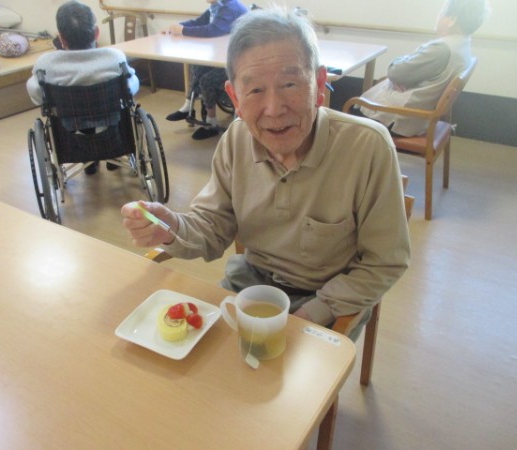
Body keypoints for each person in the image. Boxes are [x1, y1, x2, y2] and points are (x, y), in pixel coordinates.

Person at [121, 8, 410, 341]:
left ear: (319, 84)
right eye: (255, 90)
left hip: (330, 299)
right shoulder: (236, 138)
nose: (274, 109)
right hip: (249, 285)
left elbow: (385, 261)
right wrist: (170, 227)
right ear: (235, 97)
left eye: (289, 84)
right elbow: (212, 226)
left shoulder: (367, 147)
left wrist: (314, 312)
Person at [26, 0, 140, 175]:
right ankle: (114, 154)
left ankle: (88, 158)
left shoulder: (46, 64)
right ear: (96, 33)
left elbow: (37, 95)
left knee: (72, 118)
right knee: (117, 110)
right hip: (112, 127)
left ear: (61, 38)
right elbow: (131, 87)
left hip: (70, 134)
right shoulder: (114, 57)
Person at [356, 0, 489, 137]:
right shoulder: (463, 46)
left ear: (452, 20)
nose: (438, 17)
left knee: (349, 112)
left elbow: (394, 72)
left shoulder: (440, 50)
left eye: (441, 13)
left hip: (399, 118)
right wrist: (405, 77)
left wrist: (401, 72)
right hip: (420, 116)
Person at [164, 0, 248, 140]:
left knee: (206, 80)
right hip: (226, 56)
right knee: (198, 66)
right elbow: (199, 22)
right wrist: (176, 27)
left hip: (240, 65)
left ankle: (211, 123)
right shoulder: (217, 6)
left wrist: (183, 31)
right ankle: (188, 106)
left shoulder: (230, 7)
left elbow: (212, 30)